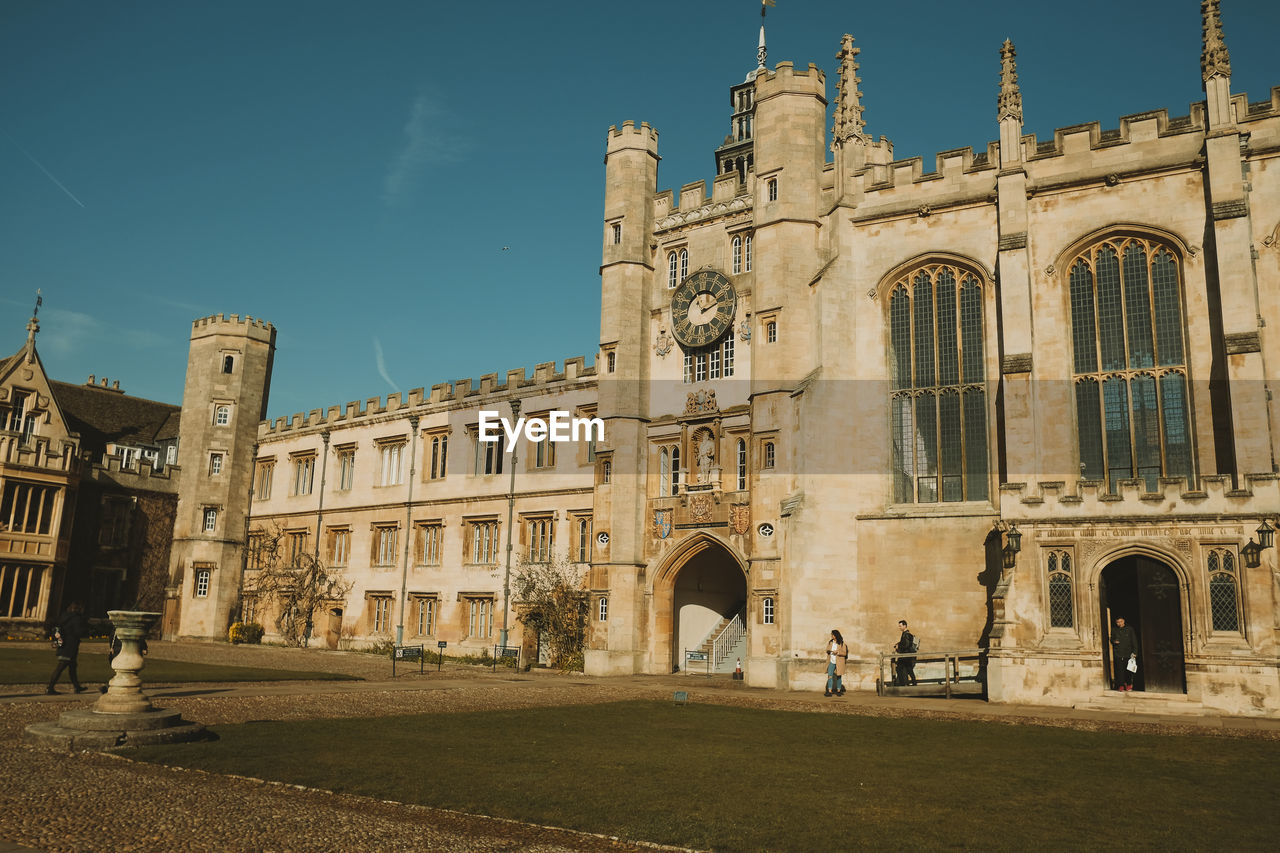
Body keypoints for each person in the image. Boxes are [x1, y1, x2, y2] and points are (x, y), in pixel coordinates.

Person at [47, 601, 89, 695]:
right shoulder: (76, 619)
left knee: (72, 667)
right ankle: (50, 688)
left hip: (63, 645)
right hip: (70, 647)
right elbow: (78, 632)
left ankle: (76, 687)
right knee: (61, 666)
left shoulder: (64, 617)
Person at [1111, 615, 1138, 692]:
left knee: (1129, 670)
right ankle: (1121, 685)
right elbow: (1111, 638)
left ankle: (1129, 684)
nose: (1119, 623)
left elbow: (1134, 641)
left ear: (1124, 621)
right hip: (1118, 653)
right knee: (1119, 670)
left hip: (1129, 653)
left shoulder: (1129, 629)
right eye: (1118, 622)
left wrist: (1135, 652)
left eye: (1121, 622)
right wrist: (1114, 641)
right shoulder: (1114, 630)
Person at [824, 629, 848, 697]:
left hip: (839, 662)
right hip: (831, 661)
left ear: (836, 635)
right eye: (831, 634)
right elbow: (827, 650)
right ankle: (829, 691)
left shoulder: (842, 643)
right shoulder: (830, 642)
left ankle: (838, 690)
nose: (832, 636)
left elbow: (844, 653)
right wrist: (829, 651)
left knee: (839, 676)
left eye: (833, 634)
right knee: (830, 676)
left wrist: (837, 652)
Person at [895, 620, 917, 686]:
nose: (899, 627)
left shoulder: (906, 635)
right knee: (908, 670)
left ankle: (903, 684)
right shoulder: (906, 634)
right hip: (906, 656)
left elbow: (906, 645)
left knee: (901, 669)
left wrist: (898, 647)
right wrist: (898, 644)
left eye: (900, 626)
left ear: (904, 626)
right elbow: (904, 643)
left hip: (906, 656)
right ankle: (909, 683)